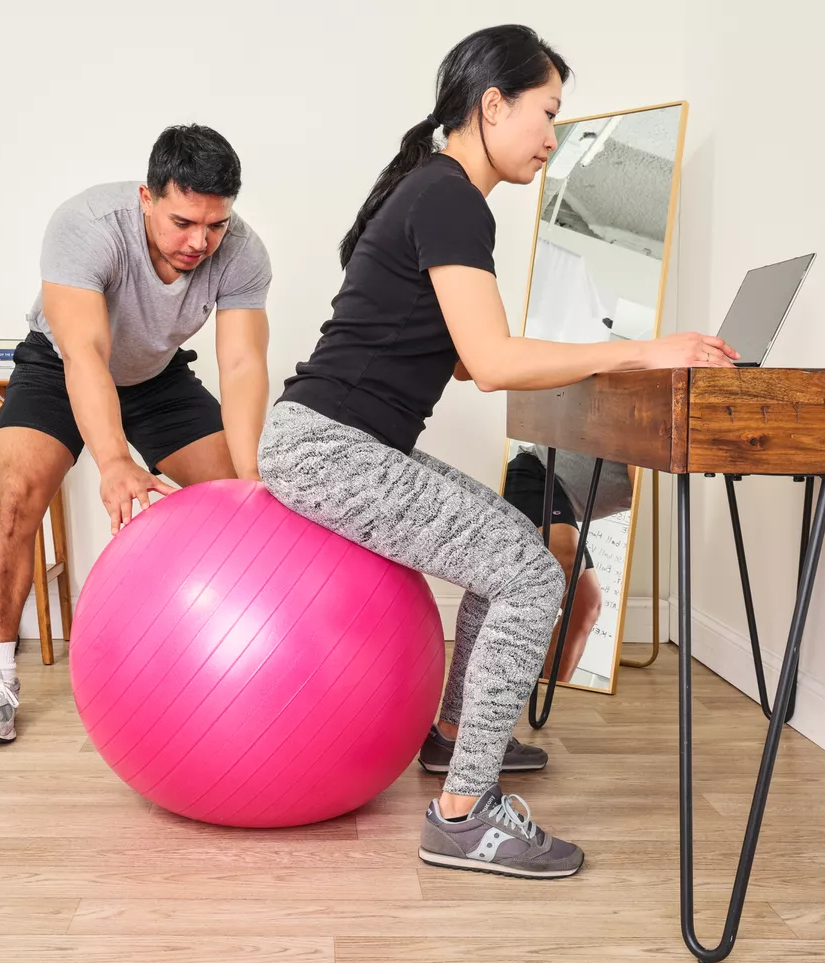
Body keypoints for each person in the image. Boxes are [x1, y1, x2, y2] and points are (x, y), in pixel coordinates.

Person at [257, 25, 737, 878]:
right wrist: (641, 348)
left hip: (330, 440)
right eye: (546, 112)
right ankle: (463, 815)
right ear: (492, 104)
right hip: (329, 448)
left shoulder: (433, 191)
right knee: (530, 570)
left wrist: (596, 354)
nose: (553, 136)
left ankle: (450, 740)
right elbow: (493, 361)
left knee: (507, 548)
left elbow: (484, 362)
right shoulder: (448, 198)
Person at [0, 125, 273, 745]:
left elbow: (241, 366)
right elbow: (84, 354)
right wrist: (112, 461)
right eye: (184, 222)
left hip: (157, 378)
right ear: (146, 197)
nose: (201, 241)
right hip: (60, 368)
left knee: (252, 511)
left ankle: (228, 659)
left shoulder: (242, 251)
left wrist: (250, 473)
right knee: (18, 493)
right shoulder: (87, 225)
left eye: (215, 225)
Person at [502, 446, 634, 684]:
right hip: (537, 474)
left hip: (563, 504)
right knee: (566, 559)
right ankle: (505, 676)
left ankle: (545, 691)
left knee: (585, 604)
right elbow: (639, 481)